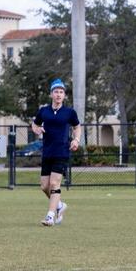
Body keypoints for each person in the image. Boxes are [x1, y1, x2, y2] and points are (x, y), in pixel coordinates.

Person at [30, 79, 81, 227]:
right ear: (51, 94)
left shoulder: (69, 112)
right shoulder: (44, 111)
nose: (58, 94)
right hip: (47, 152)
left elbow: (77, 127)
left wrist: (76, 140)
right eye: (56, 92)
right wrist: (37, 129)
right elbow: (34, 124)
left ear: (64, 95)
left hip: (62, 152)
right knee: (44, 186)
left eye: (61, 92)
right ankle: (59, 205)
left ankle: (50, 216)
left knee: (54, 183)